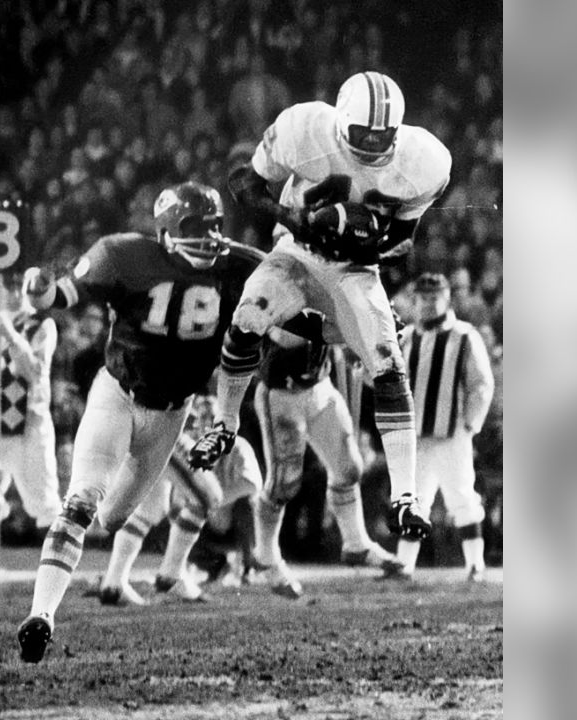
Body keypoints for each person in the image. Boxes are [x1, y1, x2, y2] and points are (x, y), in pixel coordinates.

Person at [188, 71, 452, 543]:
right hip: (295, 250)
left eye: (382, 137)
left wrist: (362, 237)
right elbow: (245, 183)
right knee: (248, 314)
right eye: (362, 135)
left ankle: (405, 496)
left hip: (355, 266)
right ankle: (225, 424)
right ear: (340, 124)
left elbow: (402, 240)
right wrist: (296, 220)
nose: (372, 146)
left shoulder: (424, 160)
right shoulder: (304, 127)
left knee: (388, 362)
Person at [15, 181, 264, 663]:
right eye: (196, 228)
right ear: (167, 232)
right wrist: (42, 291)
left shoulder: (239, 269)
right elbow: (62, 294)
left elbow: (292, 306)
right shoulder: (125, 255)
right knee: (82, 500)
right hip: (118, 393)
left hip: (173, 413)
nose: (209, 237)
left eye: (215, 226)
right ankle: (41, 614)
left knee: (112, 519)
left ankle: (118, 575)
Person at [250, 309, 404, 598]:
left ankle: (356, 543)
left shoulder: (329, 278)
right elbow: (289, 336)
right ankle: (265, 555)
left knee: (349, 468)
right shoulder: (282, 280)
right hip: (281, 394)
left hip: (320, 387)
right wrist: (350, 325)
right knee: (284, 483)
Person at [97, 395, 261, 606]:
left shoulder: (232, 444)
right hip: (159, 424)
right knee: (208, 494)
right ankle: (172, 575)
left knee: (152, 506)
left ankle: (114, 583)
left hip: (137, 419)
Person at [392, 273, 496, 581]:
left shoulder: (464, 335)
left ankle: (475, 564)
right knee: (413, 500)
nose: (427, 303)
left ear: (446, 298)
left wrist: (469, 423)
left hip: (452, 433)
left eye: (433, 298)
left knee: (462, 495)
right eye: (422, 298)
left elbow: (481, 384)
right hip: (415, 435)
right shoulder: (406, 336)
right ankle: (403, 565)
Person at [0, 275, 62, 580]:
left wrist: (9, 331)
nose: (8, 290)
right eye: (4, 283)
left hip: (29, 426)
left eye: (13, 283)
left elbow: (34, 372)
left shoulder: (42, 327)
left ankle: (54, 573)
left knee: (45, 503)